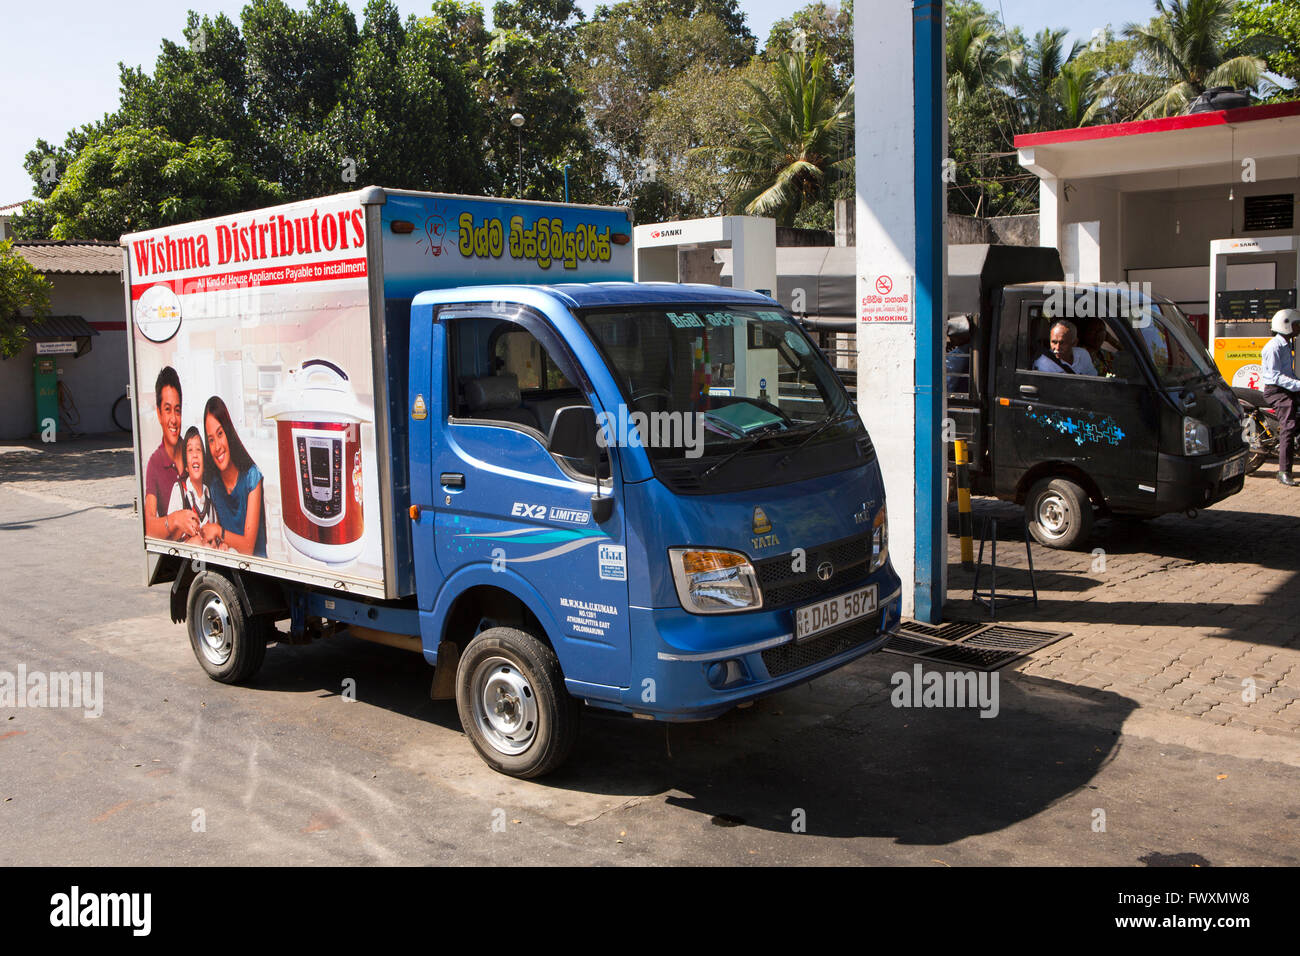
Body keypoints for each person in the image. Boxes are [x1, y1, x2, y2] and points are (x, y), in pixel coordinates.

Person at [201, 396, 267, 557]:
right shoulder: (213, 484)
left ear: (228, 433)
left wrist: (218, 532)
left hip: (258, 570)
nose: (217, 447)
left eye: (220, 434)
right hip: (229, 564)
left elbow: (248, 548)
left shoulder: (252, 477)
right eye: (211, 440)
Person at [144, 366, 200, 542]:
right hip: (175, 552)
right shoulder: (155, 463)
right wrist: (175, 519)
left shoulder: (195, 453)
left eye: (177, 410)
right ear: (159, 413)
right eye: (167, 410)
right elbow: (149, 526)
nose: (174, 420)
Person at [1261, 308, 1300, 487]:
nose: (1298, 328)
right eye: (1296, 324)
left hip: (1285, 388)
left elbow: (1289, 374)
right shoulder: (1273, 347)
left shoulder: (1286, 344)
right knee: (1289, 426)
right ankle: (1284, 471)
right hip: (1276, 391)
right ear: (1285, 325)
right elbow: (1275, 376)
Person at [166, 427, 218, 542]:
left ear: (204, 464)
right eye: (190, 450)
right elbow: (170, 535)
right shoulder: (179, 491)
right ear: (186, 467)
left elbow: (215, 535)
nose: (195, 455)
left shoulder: (209, 497)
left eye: (198, 449)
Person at [1033, 319, 1097, 376]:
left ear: (1074, 342)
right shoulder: (1043, 364)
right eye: (1054, 342)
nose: (1057, 348)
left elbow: (1094, 378)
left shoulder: (1083, 354)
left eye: (1062, 343)